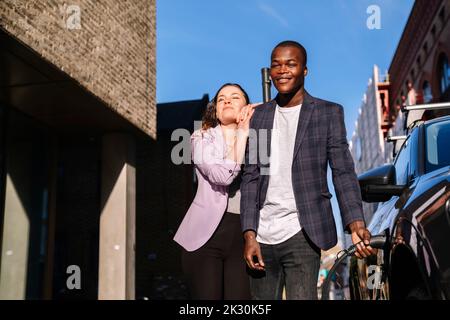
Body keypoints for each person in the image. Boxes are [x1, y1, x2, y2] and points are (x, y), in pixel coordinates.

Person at [240, 40, 376, 300]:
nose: (282, 70)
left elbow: (342, 170)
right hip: (262, 234)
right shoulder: (259, 117)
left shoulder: (328, 113)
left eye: (291, 64)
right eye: (276, 65)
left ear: (305, 70)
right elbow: (251, 176)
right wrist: (249, 233)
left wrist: (355, 222)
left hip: (303, 231)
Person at [174, 83, 255, 299]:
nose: (227, 100)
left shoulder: (260, 140)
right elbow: (221, 176)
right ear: (216, 111)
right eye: (221, 99)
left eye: (235, 97)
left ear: (247, 107)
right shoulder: (200, 137)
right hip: (206, 235)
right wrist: (241, 136)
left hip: (246, 236)